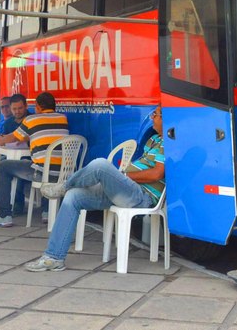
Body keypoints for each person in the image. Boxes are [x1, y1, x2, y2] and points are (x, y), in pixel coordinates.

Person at [24, 107, 164, 272]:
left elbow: (156, 174)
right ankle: (54, 257)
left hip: (142, 196)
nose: (152, 117)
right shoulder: (153, 140)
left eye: (155, 115)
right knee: (73, 196)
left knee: (100, 165)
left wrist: (124, 175)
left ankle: (64, 185)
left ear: (166, 119)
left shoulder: (168, 143)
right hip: (127, 190)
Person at [0, 91, 68, 228]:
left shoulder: (32, 120)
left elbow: (12, 138)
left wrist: (0, 139)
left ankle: (4, 215)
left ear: (38, 106)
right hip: (63, 173)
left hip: (41, 173)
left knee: (4, 167)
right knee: (48, 166)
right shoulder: (63, 119)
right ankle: (47, 212)